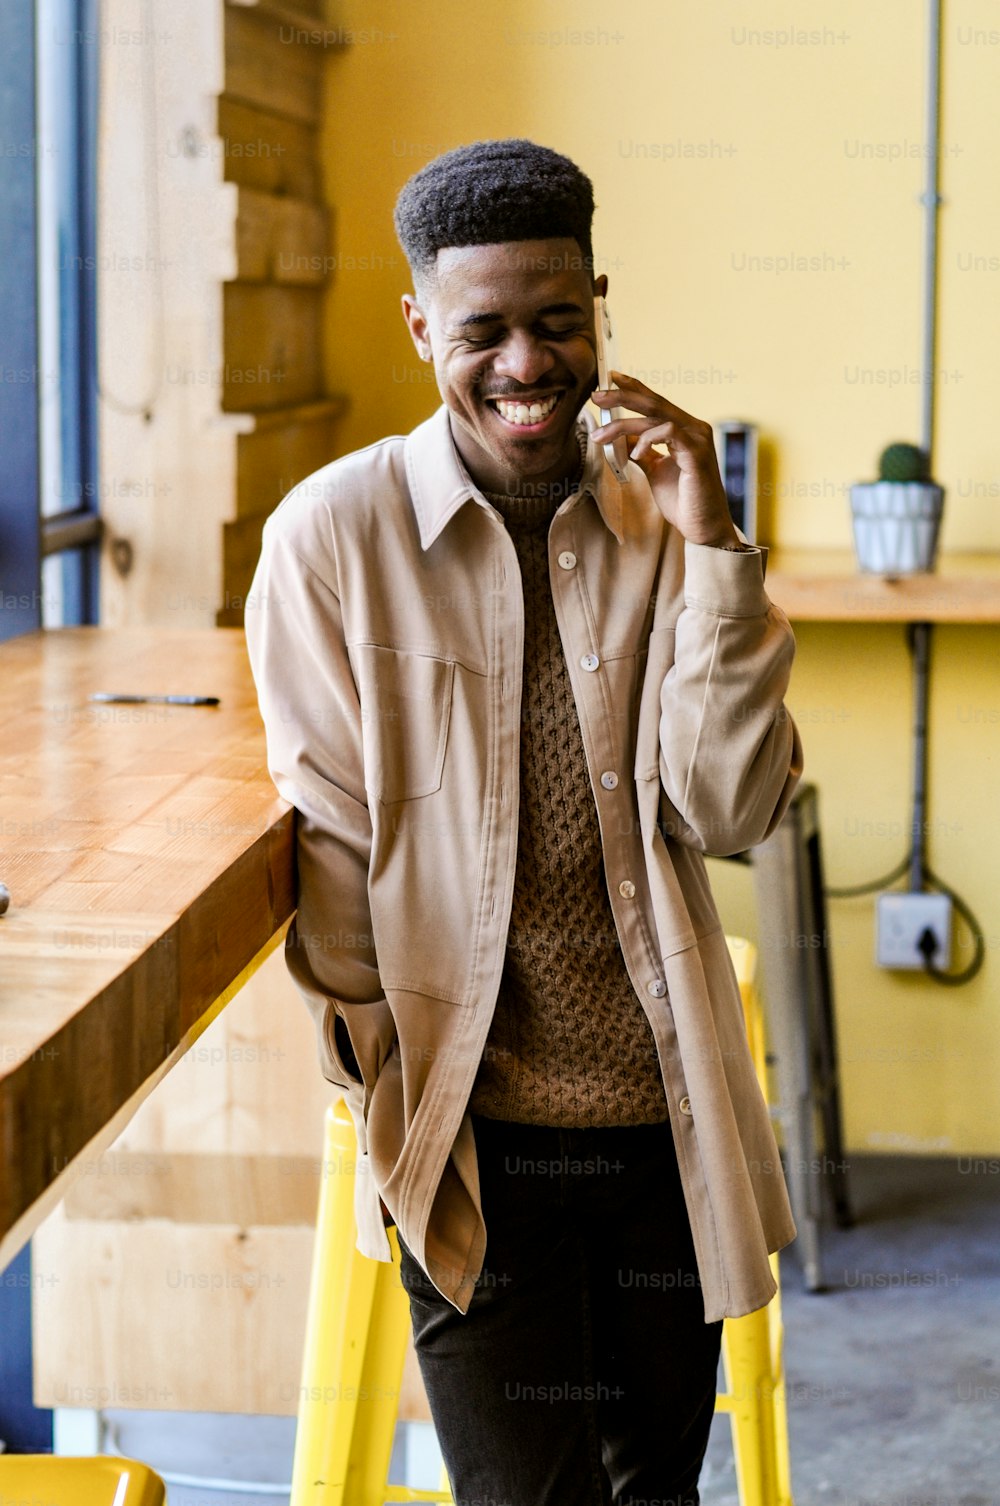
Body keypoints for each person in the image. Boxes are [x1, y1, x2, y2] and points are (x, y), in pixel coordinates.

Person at [246, 138, 803, 1506]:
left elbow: (730, 808)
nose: (525, 365)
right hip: (471, 1138)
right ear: (420, 322)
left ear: (601, 302)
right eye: (481, 329)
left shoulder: (664, 521)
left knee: (649, 1489)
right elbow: (330, 863)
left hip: (661, 1129)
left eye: (559, 323)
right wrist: (385, 1097)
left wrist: (719, 546)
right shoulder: (332, 538)